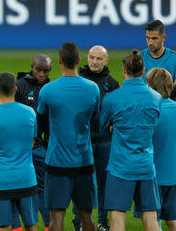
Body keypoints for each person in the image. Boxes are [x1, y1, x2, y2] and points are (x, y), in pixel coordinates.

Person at [37, 42, 100, 231]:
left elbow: (40, 123)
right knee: (86, 216)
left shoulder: (48, 90)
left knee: (56, 216)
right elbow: (95, 122)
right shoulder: (93, 89)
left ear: (59, 61)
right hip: (84, 162)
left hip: (57, 162)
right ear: (80, 61)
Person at [99, 50, 161, 231]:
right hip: (146, 167)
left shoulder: (112, 98)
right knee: (150, 216)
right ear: (143, 70)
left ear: (124, 69)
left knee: (117, 218)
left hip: (120, 167)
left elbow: (103, 126)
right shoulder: (156, 97)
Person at [0, 72, 39, 231]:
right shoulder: (30, 113)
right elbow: (31, 143)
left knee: (3, 227)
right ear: (15, 88)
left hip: (1, 182)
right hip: (26, 178)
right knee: (31, 225)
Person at [73, 45, 119, 231]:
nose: (94, 61)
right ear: (87, 57)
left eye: (99, 58)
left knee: (103, 183)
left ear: (106, 61)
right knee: (81, 182)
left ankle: (100, 222)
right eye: (92, 57)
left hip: (105, 141)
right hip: (83, 141)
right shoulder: (78, 80)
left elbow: (118, 109)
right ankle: (80, 223)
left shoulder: (113, 84)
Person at [134, 68, 176, 231]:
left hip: (151, 177)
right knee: (174, 222)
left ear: (149, 85)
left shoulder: (148, 110)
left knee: (151, 222)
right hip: (172, 177)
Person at [14, 54, 52, 230]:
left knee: (43, 188)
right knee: (16, 188)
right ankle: (17, 226)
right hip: (19, 148)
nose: (42, 73)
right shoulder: (20, 85)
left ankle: (47, 226)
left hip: (39, 148)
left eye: (46, 71)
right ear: (32, 67)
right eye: (39, 69)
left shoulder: (51, 89)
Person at [140, 20, 176, 101]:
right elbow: (133, 87)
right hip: (145, 110)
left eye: (154, 38)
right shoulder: (138, 58)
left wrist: (147, 89)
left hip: (168, 110)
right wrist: (168, 87)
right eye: (148, 38)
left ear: (164, 37)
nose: (150, 42)